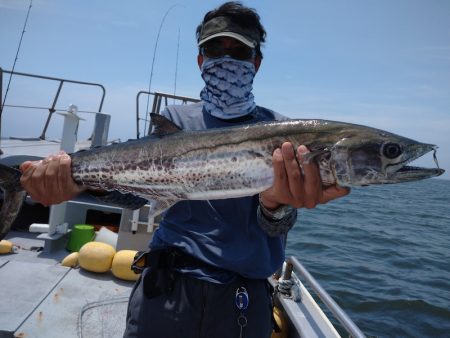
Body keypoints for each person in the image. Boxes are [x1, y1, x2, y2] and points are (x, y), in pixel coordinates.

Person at [20, 2, 349, 338]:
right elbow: (135, 194)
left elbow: (277, 227)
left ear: (256, 63)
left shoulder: (282, 133)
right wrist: (78, 184)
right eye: (214, 49)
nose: (226, 58)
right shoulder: (176, 122)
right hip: (167, 290)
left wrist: (276, 207)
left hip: (241, 299)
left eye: (239, 51)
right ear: (200, 60)